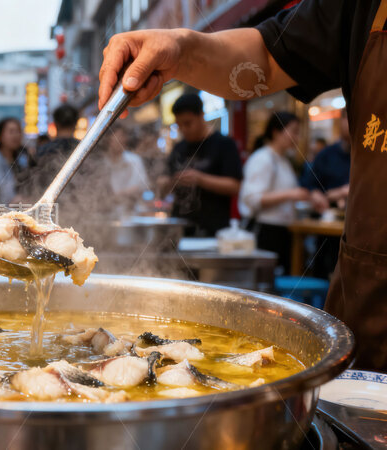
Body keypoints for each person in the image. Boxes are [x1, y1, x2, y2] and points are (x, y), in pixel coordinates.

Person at [96, 0, 387, 370]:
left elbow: (237, 190)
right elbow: (265, 57)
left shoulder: (223, 146)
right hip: (372, 311)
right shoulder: (362, 9)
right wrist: (181, 49)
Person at [157, 94, 243, 237]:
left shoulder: (224, 144)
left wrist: (199, 179)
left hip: (214, 229)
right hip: (179, 227)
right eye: (179, 125)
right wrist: (171, 182)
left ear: (202, 115)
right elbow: (162, 186)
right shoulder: (178, 148)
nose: (184, 129)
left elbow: (235, 186)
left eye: (188, 123)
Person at [238, 112, 309, 274]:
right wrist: (292, 194)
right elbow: (252, 199)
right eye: (294, 131)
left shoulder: (282, 159)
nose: (297, 137)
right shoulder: (262, 158)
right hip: (266, 231)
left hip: (281, 230)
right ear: (276, 132)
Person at [301, 109, 351, 279]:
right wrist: (317, 194)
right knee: (322, 272)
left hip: (359, 229)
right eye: (349, 118)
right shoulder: (326, 155)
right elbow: (309, 184)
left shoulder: (368, 156)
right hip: (327, 226)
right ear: (342, 120)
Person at [103, 123, 150, 218]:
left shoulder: (134, 160)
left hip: (133, 214)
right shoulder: (102, 163)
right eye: (119, 136)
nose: (123, 140)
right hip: (108, 215)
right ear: (108, 139)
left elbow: (142, 186)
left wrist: (118, 195)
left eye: (124, 136)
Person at [0, 117, 28, 204]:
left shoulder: (22, 159)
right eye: (11, 132)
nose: (16, 135)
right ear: (0, 136)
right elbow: (0, 190)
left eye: (18, 131)